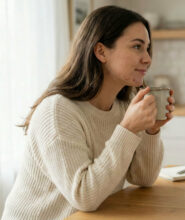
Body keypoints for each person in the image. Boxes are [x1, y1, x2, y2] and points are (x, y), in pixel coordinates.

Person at [1, 6, 174, 220]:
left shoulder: (123, 105)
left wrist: (151, 130)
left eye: (147, 48)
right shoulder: (58, 111)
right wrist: (127, 129)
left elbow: (143, 178)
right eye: (137, 47)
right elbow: (84, 197)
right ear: (101, 51)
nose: (147, 58)